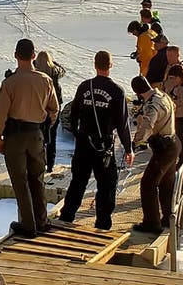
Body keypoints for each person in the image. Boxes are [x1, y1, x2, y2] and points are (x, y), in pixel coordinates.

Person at [58, 51, 135, 230]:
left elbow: (73, 114)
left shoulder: (85, 87)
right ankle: (103, 223)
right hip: (104, 144)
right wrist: (128, 148)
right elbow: (123, 124)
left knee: (78, 181)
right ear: (111, 65)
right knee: (106, 184)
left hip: (84, 142)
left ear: (95, 64)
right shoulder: (117, 91)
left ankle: (67, 216)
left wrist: (78, 135)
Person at [0, 39, 59, 238]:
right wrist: (44, 126)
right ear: (33, 56)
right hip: (36, 134)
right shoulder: (45, 80)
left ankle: (28, 224)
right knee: (37, 179)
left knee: (21, 182)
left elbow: (1, 114)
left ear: (15, 55)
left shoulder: (10, 83)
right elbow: (54, 109)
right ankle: (42, 220)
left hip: (15, 136)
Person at [130, 76, 180, 234]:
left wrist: (135, 142)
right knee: (166, 183)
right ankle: (167, 217)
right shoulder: (162, 95)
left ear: (138, 93)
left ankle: (152, 222)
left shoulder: (151, 105)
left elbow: (147, 125)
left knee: (148, 184)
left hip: (163, 148)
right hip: (173, 142)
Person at [33, 51, 66, 172]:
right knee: (52, 137)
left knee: (38, 136)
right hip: (54, 107)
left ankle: (40, 162)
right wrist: (53, 63)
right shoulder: (54, 72)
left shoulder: (35, 72)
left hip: (39, 107)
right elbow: (63, 70)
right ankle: (50, 166)